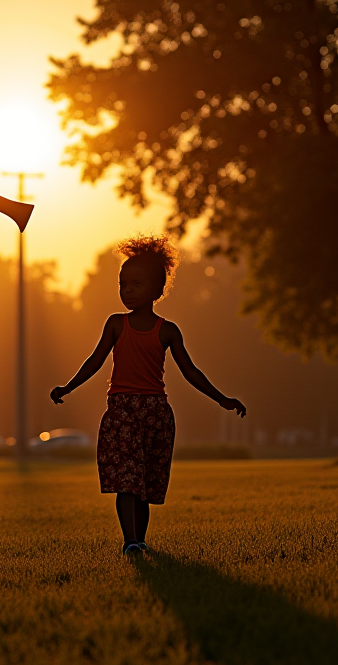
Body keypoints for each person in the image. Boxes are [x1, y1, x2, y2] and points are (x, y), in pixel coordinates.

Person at [50, 236, 246, 555]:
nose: (127, 291)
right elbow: (95, 361)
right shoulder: (116, 324)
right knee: (126, 479)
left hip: (155, 413)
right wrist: (68, 387)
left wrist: (222, 399)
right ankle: (130, 542)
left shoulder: (167, 331)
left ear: (157, 290)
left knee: (143, 483)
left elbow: (191, 372)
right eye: (123, 284)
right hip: (122, 412)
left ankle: (139, 540)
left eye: (136, 284)